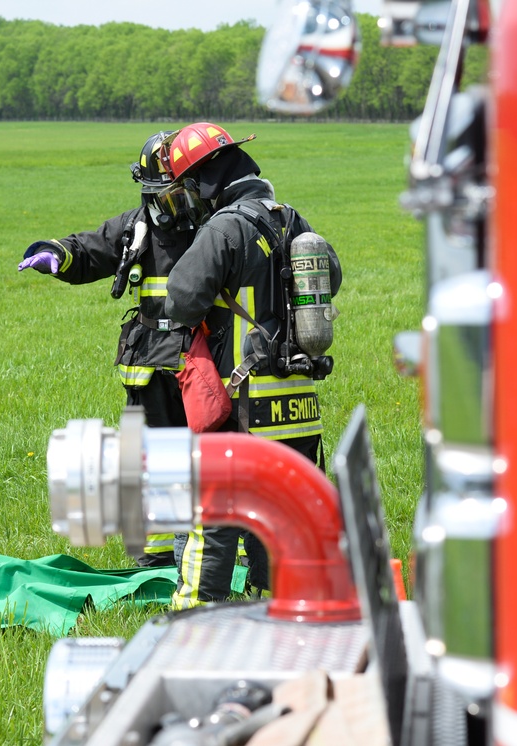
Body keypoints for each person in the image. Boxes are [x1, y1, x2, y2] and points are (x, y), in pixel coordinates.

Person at [159, 122, 342, 608]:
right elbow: (331, 275)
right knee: (285, 516)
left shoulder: (226, 227)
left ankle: (196, 617)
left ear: (203, 181)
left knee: (212, 516)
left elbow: (181, 298)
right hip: (299, 407)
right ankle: (283, 605)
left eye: (189, 187)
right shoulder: (291, 218)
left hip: (243, 406)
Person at [18, 131, 199, 567]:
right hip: (152, 364)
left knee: (204, 459)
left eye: (184, 197)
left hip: (200, 363)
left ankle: (201, 556)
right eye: (169, 199)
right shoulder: (136, 226)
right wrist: (56, 254)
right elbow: (90, 248)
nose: (177, 210)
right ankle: (156, 561)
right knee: (156, 462)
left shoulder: (217, 227)